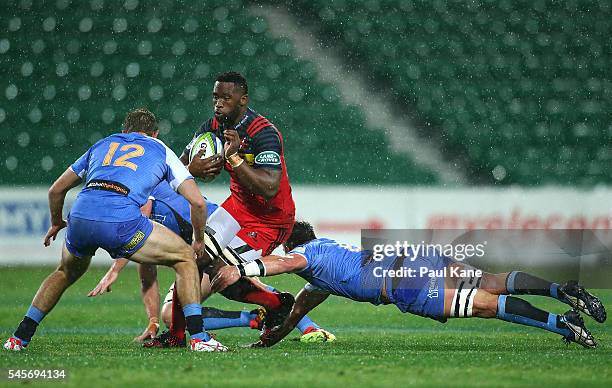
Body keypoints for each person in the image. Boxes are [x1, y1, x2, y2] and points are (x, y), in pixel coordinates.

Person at [3, 108, 226, 352]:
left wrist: (57, 222)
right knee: (184, 258)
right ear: (155, 133)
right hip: (122, 220)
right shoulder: (160, 148)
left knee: (64, 272)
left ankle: (19, 338)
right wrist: (198, 238)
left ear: (124, 130)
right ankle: (199, 339)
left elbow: (56, 190)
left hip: (80, 215)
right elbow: (197, 202)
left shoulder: (103, 145)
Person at [212, 221, 607, 348]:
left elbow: (284, 262)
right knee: (493, 280)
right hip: (409, 256)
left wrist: (245, 268)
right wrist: (272, 337)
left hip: (403, 283)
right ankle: (562, 290)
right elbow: (296, 309)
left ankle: (564, 325)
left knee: (486, 303)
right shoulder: (323, 269)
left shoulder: (308, 256)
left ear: (291, 244)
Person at [88, 181, 335, 345]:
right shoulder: (145, 220)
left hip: (223, 240)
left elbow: (135, 229)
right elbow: (147, 273)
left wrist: (114, 269)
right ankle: (256, 318)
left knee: (232, 278)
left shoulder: (141, 192)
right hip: (199, 259)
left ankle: (309, 328)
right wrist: (152, 321)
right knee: (169, 316)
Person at [151, 71, 298, 344]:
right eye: (215, 97)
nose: (218, 104)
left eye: (226, 98)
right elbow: (176, 168)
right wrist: (190, 170)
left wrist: (234, 158)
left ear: (243, 100)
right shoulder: (211, 127)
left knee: (224, 276)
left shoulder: (263, 133)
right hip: (236, 208)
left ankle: (276, 304)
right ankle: (176, 335)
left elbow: (269, 188)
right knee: (193, 256)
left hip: (269, 220)